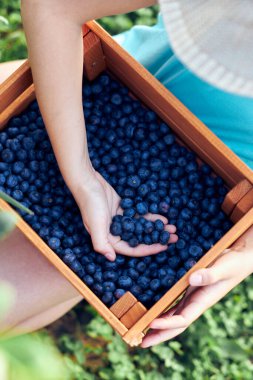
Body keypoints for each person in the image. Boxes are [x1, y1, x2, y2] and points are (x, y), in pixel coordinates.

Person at [0, 0, 252, 348]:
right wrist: (82, 174)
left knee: (13, 301)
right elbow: (52, 6)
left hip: (193, 191)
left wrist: (247, 252)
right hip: (93, 90)